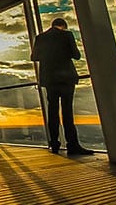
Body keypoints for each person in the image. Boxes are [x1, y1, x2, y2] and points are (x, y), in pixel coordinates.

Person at [31, 18, 93, 155]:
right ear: (63, 26)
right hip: (66, 78)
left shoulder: (40, 38)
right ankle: (72, 145)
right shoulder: (66, 35)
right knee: (67, 112)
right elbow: (76, 55)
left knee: (52, 111)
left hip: (50, 79)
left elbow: (34, 57)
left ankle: (54, 144)